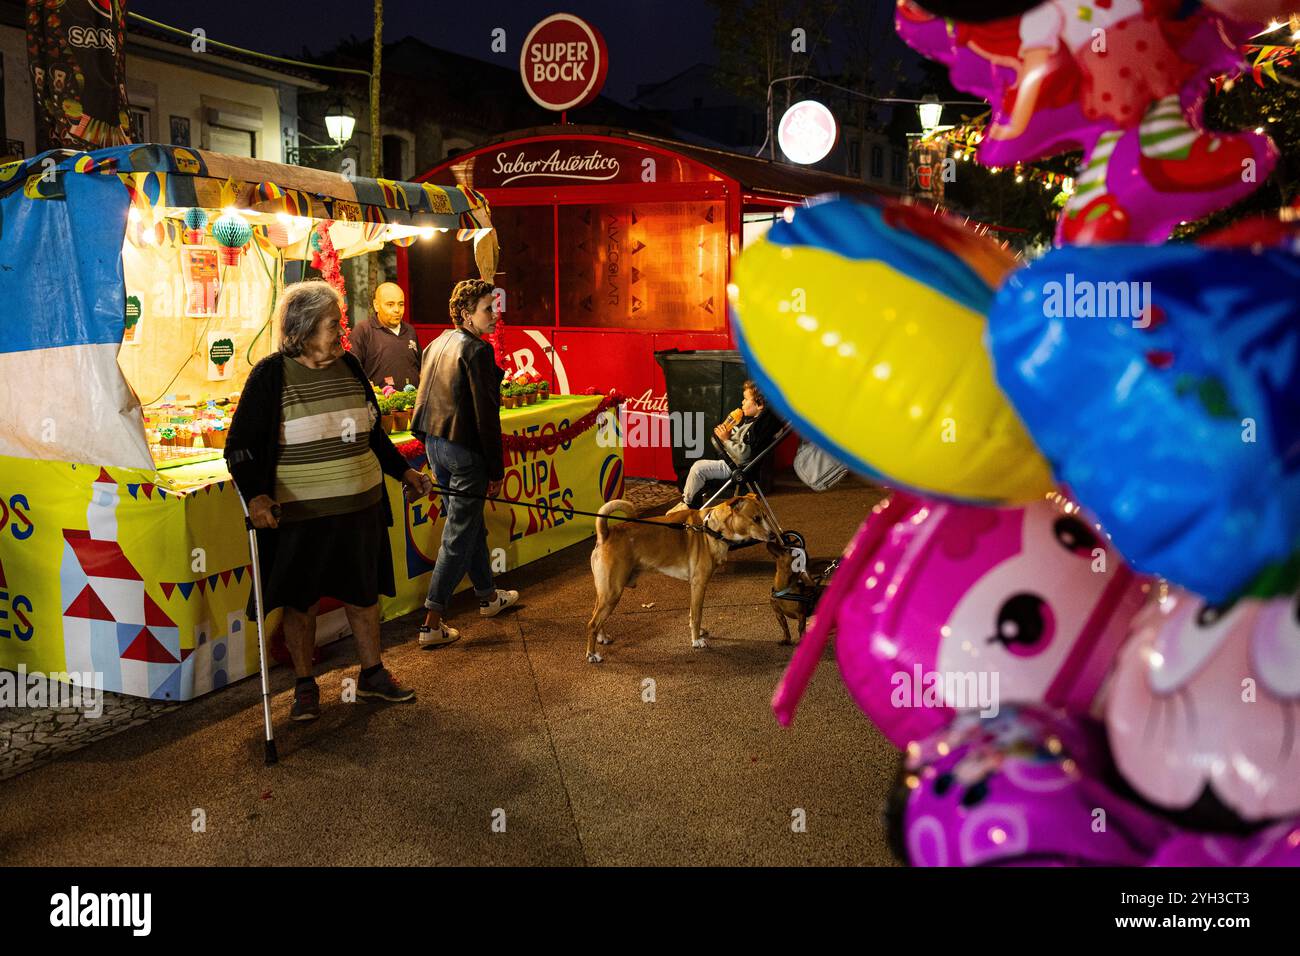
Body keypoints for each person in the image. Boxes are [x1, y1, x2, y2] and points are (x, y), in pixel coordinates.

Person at [225, 280, 434, 722]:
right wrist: (256, 496)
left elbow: (373, 432)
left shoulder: (353, 367)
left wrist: (405, 472)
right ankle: (305, 685)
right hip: (300, 517)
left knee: (364, 595)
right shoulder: (270, 376)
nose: (341, 333)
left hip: (360, 510)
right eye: (331, 326)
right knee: (302, 603)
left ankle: (372, 674)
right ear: (300, 331)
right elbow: (239, 448)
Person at [409, 279, 519, 646]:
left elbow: (421, 400)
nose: (495, 315)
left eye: (494, 307)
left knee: (469, 526)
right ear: (466, 314)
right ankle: (432, 621)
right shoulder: (476, 351)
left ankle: (487, 596)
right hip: (463, 451)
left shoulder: (437, 343)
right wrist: (496, 470)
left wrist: (428, 444)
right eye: (488, 309)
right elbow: (487, 417)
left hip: (435, 447)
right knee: (458, 535)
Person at [677, 380, 776, 510]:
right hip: (732, 463)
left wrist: (725, 440)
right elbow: (741, 442)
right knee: (687, 475)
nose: (742, 403)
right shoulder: (749, 423)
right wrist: (729, 433)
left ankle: (687, 504)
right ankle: (693, 502)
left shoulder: (754, 428)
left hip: (734, 466)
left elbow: (743, 454)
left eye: (746, 399)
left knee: (698, 468)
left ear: (760, 405)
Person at [349, 281, 422, 389]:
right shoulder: (363, 331)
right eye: (390, 304)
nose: (397, 310)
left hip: (412, 403)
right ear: (376, 305)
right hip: (379, 404)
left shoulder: (410, 331)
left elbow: (421, 368)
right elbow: (352, 373)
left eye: (401, 304)